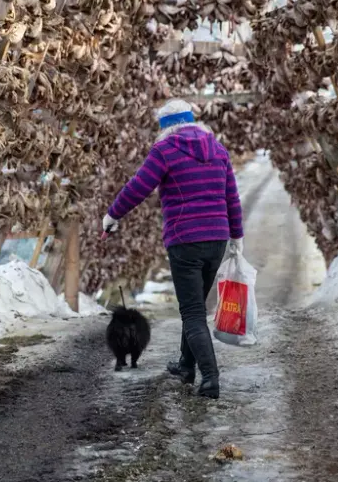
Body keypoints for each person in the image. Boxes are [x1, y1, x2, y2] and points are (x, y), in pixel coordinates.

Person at [103, 99, 243, 399]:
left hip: (184, 241)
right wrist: (237, 236)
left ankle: (210, 379)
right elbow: (232, 197)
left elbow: (137, 187)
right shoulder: (218, 150)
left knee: (192, 312)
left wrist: (112, 215)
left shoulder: (165, 151)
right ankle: (185, 366)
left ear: (166, 127)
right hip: (217, 240)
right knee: (194, 306)